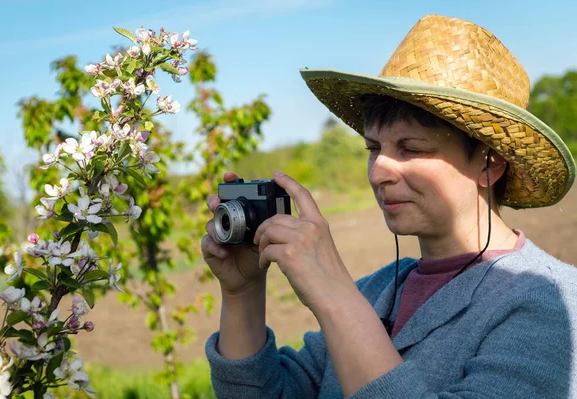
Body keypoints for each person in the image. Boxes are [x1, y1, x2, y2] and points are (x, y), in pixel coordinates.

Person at [200, 14, 577, 398]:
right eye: (374, 148)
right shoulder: (377, 290)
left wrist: (334, 295)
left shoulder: (546, 300)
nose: (378, 171)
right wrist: (242, 292)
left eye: (410, 149)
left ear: (489, 162)